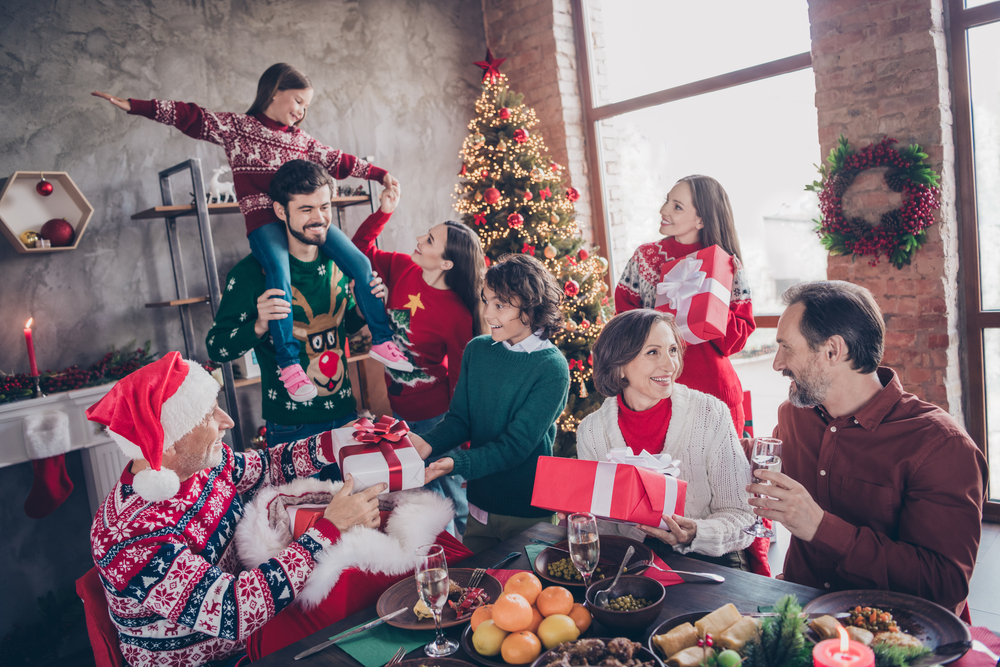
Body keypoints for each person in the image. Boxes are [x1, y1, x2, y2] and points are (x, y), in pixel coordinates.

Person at [92, 63, 412, 404]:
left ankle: (381, 339)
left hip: (305, 220)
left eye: (307, 106)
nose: (302, 111)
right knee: (279, 277)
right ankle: (290, 365)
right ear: (274, 92)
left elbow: (339, 160)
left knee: (361, 265)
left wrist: (380, 175)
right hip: (264, 222)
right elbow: (190, 116)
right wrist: (134, 105)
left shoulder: (300, 141)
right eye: (298, 101)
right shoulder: (237, 128)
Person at [85, 352, 386, 667]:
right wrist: (329, 528)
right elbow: (233, 611)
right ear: (167, 442)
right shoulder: (129, 534)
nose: (226, 421)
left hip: (254, 633)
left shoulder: (201, 463)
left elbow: (267, 467)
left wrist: (338, 441)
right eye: (208, 416)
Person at [750, 281, 988, 617]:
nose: (777, 363)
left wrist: (822, 528)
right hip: (801, 617)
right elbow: (767, 472)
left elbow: (944, 585)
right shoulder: (794, 416)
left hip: (896, 633)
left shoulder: (941, 446)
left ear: (833, 351)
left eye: (787, 347)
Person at [206, 160, 374, 457]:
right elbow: (217, 348)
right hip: (292, 428)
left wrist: (362, 307)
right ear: (281, 211)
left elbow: (342, 326)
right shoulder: (250, 273)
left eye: (324, 207)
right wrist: (259, 325)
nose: (319, 218)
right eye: (306, 209)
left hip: (346, 417)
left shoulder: (338, 260)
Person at [409, 254, 570, 553]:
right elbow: (460, 420)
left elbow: (514, 447)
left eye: (500, 305)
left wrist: (457, 463)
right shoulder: (478, 350)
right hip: (479, 506)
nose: (487, 314)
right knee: (476, 592)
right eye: (486, 301)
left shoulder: (552, 368)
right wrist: (427, 444)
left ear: (532, 307)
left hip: (527, 513)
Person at [576, 309, 755, 569]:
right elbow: (602, 528)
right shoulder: (591, 432)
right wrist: (582, 516)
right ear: (619, 365)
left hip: (711, 558)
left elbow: (744, 517)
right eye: (653, 352)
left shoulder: (710, 413)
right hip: (630, 560)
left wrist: (696, 533)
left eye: (672, 350)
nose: (671, 365)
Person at [351, 185, 485, 534]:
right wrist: (384, 212)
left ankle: (465, 560)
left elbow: (462, 379)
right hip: (399, 409)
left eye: (429, 240)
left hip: (436, 415)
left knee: (449, 493)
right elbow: (359, 250)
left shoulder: (457, 314)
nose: (418, 240)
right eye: (425, 235)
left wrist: (461, 435)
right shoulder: (401, 267)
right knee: (419, 491)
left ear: (446, 262)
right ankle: (435, 554)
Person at [615, 175, 753, 435]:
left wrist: (709, 298)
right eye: (667, 201)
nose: (663, 210)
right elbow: (623, 325)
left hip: (715, 393)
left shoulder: (728, 265)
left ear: (701, 219)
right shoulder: (644, 258)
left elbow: (735, 342)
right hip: (655, 392)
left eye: (677, 206)